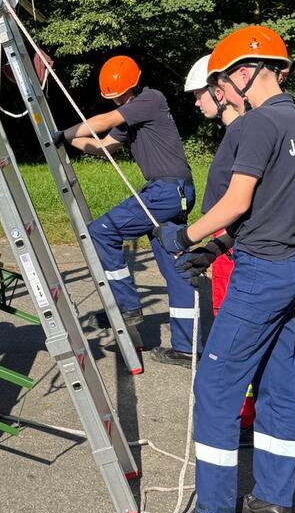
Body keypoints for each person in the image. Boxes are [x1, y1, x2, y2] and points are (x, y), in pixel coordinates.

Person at [154, 26, 295, 513]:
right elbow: (270, 208)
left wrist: (185, 235)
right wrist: (214, 246)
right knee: (277, 386)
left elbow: (236, 203)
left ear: (247, 72)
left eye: (224, 81)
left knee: (216, 388)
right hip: (291, 264)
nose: (222, 91)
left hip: (259, 273)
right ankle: (273, 503)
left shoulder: (257, 125)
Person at [60, 55, 197, 365]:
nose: (118, 100)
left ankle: (126, 306)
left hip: (166, 190)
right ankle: (186, 347)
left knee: (102, 231)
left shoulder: (150, 99)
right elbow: (104, 145)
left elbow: (105, 121)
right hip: (172, 192)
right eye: (114, 97)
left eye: (120, 95)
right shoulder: (133, 116)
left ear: (133, 86)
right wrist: (68, 141)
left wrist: (67, 131)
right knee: (176, 267)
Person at [178, 54, 255, 431]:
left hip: (235, 252)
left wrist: (194, 240)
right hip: (225, 248)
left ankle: (239, 417)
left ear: (219, 91)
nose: (196, 103)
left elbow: (240, 205)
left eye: (198, 95)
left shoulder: (244, 133)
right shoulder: (235, 134)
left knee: (233, 337)